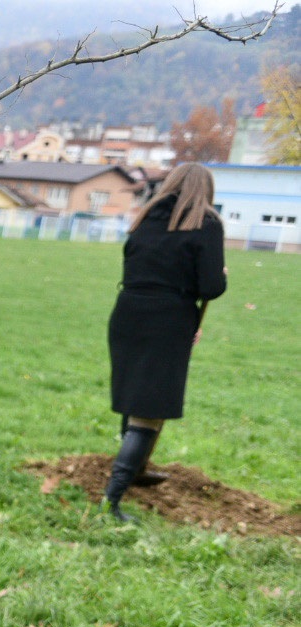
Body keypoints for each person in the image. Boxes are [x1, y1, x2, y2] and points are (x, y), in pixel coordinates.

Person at [103, 162, 227, 521]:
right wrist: (221, 276)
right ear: (206, 191)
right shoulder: (206, 223)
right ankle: (111, 500)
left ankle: (137, 469)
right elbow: (210, 287)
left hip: (128, 312)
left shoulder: (145, 219)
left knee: (136, 397)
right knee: (150, 409)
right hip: (167, 320)